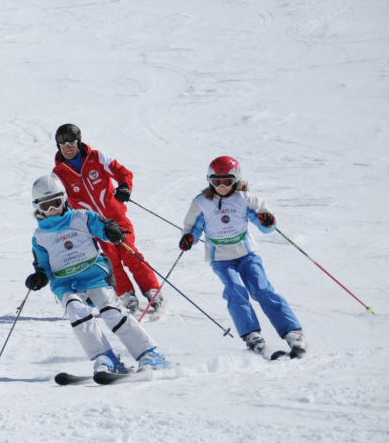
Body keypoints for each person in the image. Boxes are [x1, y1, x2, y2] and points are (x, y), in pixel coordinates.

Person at [26, 175, 169, 373]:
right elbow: (43, 266)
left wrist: (111, 230)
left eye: (55, 203)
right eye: (45, 206)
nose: (51, 211)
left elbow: (103, 226)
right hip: (65, 282)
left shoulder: (82, 217)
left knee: (111, 311)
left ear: (64, 199)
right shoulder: (40, 236)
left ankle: (149, 353)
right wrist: (40, 276)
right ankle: (105, 357)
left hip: (94, 275)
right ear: (37, 208)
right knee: (76, 311)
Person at [179, 157, 306, 358]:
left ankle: (292, 331)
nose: (221, 186)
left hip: (246, 254)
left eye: (227, 181)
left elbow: (266, 224)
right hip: (220, 258)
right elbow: (192, 227)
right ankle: (252, 335)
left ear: (236, 180)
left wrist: (267, 220)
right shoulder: (202, 203)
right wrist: (188, 238)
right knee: (234, 291)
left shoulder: (245, 199)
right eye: (216, 181)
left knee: (262, 289)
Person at [51, 123, 162, 317]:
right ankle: (126, 294)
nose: (67, 148)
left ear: (78, 142)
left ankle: (151, 290)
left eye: (71, 143)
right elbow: (61, 203)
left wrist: (124, 187)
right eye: (62, 144)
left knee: (130, 253)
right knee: (111, 260)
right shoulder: (58, 174)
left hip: (117, 217)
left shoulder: (96, 157)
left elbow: (122, 172)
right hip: (94, 226)